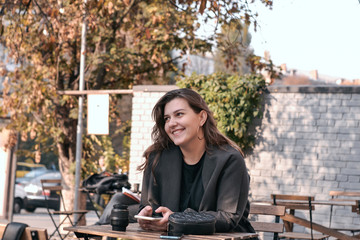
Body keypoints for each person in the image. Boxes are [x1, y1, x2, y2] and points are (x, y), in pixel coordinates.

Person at [97, 88, 255, 233]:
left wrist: (176, 220)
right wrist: (146, 214)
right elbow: (149, 206)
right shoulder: (157, 158)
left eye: (179, 114)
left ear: (202, 118)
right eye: (167, 118)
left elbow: (228, 217)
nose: (171, 123)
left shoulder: (230, 159)